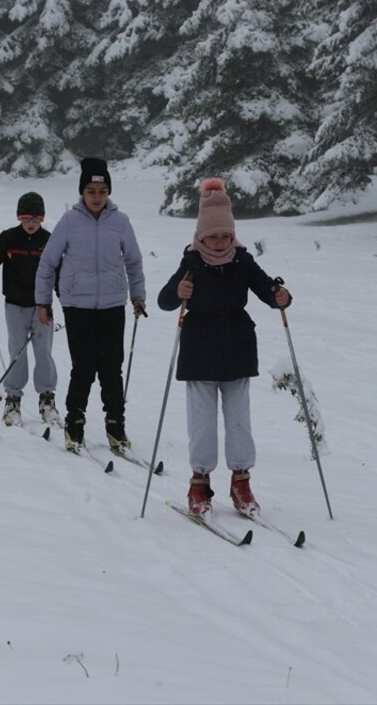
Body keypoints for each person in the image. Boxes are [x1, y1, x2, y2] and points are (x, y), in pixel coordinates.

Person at [156, 178, 291, 517]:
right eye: (213, 236)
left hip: (237, 348)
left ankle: (241, 481)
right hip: (200, 350)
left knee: (239, 421)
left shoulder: (242, 260)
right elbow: (164, 300)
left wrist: (281, 296)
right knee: (202, 423)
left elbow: (266, 290)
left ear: (233, 235)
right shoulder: (191, 262)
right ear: (200, 236)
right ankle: (199, 483)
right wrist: (179, 293)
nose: (219, 242)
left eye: (225, 235)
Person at [35, 158, 145, 453]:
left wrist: (138, 296)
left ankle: (115, 424)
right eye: (91, 191)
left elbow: (133, 261)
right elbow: (47, 263)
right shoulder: (70, 222)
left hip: (111, 304)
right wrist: (42, 301)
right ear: (82, 192)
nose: (97, 197)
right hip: (78, 305)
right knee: (83, 367)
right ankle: (75, 423)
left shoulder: (120, 222)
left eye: (103, 191)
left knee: (112, 367)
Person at [0, 192, 59, 426]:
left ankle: (47, 399)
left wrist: (65, 299)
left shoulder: (50, 240)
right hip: (15, 305)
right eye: (26, 219)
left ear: (42, 219)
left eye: (36, 219)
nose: (31, 224)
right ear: (19, 218)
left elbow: (60, 273)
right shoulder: (8, 238)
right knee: (17, 351)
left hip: (41, 307)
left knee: (43, 352)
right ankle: (13, 398)